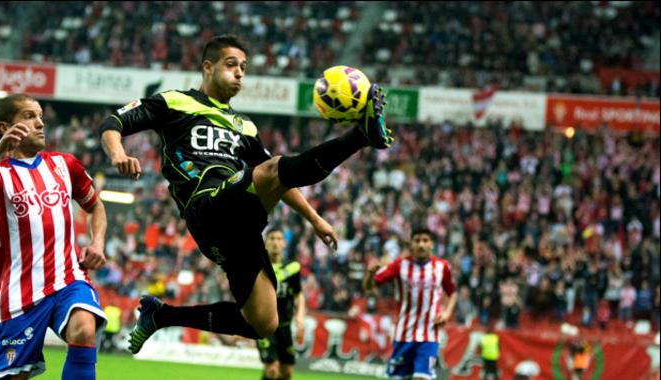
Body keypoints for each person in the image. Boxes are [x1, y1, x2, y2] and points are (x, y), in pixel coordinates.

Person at [98, 34, 391, 354]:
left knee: (263, 323)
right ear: (207, 67)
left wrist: (315, 219)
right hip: (205, 204)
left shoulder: (244, 126)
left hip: (239, 226)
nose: (239, 72)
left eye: (244, 67)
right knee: (271, 168)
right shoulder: (174, 101)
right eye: (231, 64)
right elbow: (114, 121)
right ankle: (360, 137)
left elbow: (279, 180)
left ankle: (161, 315)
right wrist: (117, 154)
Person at [0, 93, 108, 380]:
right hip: (18, 293)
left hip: (67, 278)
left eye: (40, 116)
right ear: (5, 127)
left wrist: (97, 241)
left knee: (84, 327)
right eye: (29, 116)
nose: (40, 123)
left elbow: (95, 205)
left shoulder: (65, 165)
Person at [362, 227, 457, 380]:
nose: (421, 244)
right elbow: (369, 287)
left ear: (431, 244)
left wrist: (447, 313)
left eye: (425, 240)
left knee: (423, 378)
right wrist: (370, 274)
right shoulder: (399, 266)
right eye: (417, 240)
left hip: (429, 336)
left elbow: (452, 292)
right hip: (403, 335)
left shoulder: (442, 267)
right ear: (411, 244)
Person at [256, 227, 305, 380]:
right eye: (271, 239)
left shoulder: (292, 268)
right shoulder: (258, 268)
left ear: (284, 243)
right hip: (264, 327)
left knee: (287, 372)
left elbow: (299, 294)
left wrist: (300, 317)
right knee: (272, 370)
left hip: (285, 325)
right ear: (265, 244)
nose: (275, 242)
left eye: (279, 239)